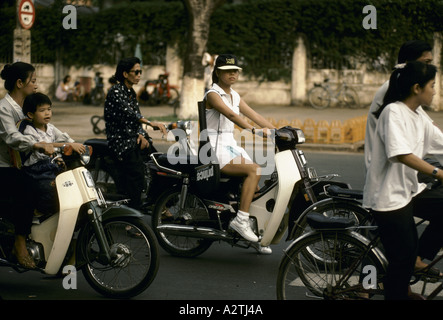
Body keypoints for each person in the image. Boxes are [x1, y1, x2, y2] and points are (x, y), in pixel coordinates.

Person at [363, 61, 443, 299]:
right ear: (417, 88)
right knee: (402, 261)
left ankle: (420, 257)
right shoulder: (393, 112)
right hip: (388, 198)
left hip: (409, 191)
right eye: (432, 85)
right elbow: (401, 154)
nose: (435, 90)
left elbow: (440, 141)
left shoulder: (417, 114)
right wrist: (438, 173)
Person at [204, 54, 276, 254]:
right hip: (213, 148)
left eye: (235, 71)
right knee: (254, 170)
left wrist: (279, 132)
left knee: (255, 188)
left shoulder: (234, 95)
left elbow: (255, 115)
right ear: (217, 72)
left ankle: (250, 229)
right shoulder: (213, 94)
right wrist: (253, 130)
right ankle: (241, 221)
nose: (232, 74)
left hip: (230, 146)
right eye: (227, 71)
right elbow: (232, 115)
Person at [0, 62, 54, 269]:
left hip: (24, 165)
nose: (37, 85)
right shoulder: (4, 109)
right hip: (5, 167)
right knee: (28, 189)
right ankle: (20, 243)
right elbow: (12, 138)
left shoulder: (28, 107)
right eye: (33, 81)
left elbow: (48, 128)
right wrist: (37, 144)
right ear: (19, 83)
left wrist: (68, 142)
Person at [104, 57, 167, 210]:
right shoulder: (116, 91)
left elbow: (136, 117)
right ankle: (132, 218)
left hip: (132, 137)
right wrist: (151, 124)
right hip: (120, 140)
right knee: (136, 176)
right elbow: (130, 113)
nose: (139, 75)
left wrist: (141, 134)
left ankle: (157, 204)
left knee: (160, 165)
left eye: (140, 72)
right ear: (125, 74)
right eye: (136, 72)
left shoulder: (131, 91)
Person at [20, 92, 85, 215]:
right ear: (30, 114)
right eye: (42, 110)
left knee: (70, 183)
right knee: (50, 188)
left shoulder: (50, 127)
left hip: (51, 165)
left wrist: (77, 145)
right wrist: (69, 146)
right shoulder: (30, 131)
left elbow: (64, 138)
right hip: (36, 170)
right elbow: (45, 145)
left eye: (49, 109)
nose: (47, 113)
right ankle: (42, 211)